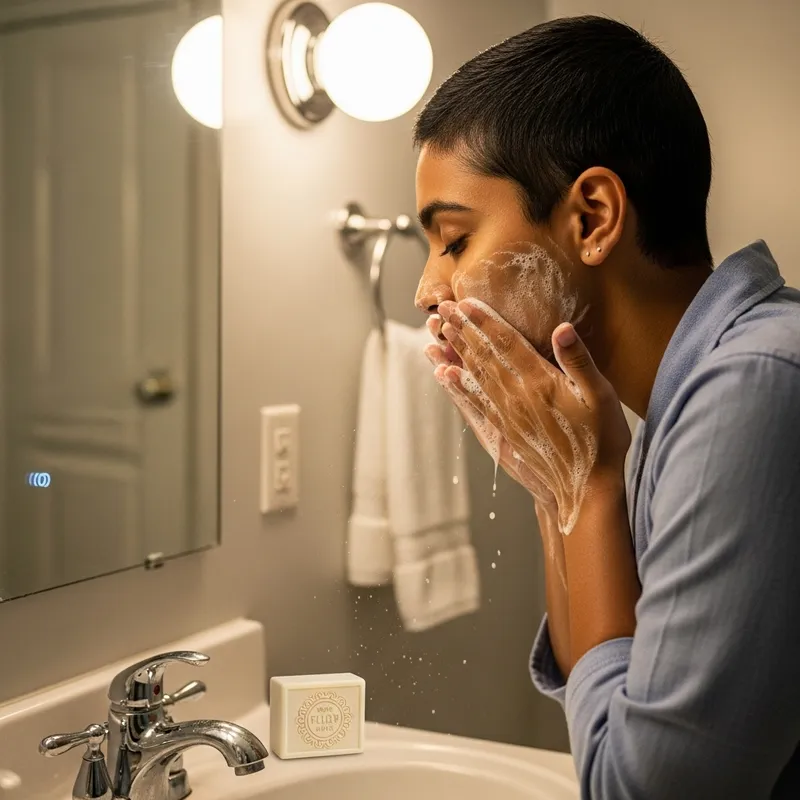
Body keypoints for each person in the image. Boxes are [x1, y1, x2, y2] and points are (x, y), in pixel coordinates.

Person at [412, 15, 800, 800]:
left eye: (453, 241)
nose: (427, 291)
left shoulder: (752, 388)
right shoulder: (684, 403)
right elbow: (612, 720)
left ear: (592, 216)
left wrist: (589, 491)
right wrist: (557, 482)